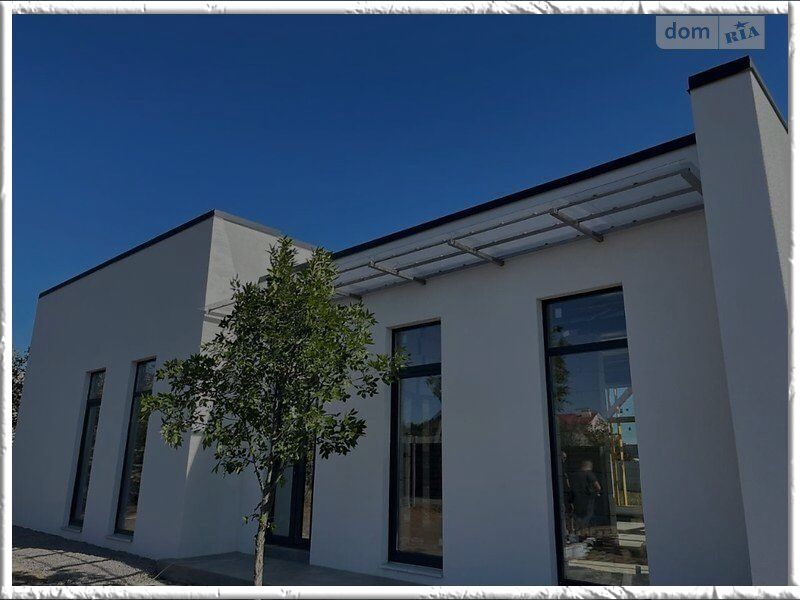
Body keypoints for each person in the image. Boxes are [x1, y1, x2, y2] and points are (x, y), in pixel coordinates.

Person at [570, 459, 601, 539]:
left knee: (577, 516)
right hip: (588, 499)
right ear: (589, 466)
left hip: (576, 499)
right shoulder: (589, 474)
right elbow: (598, 487)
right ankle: (584, 533)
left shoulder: (574, 475)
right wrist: (596, 493)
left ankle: (577, 532)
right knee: (588, 516)